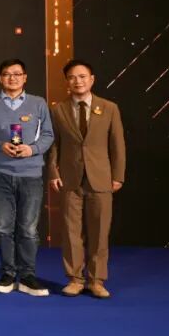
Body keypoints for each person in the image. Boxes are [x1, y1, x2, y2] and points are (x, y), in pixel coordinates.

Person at [47, 59, 126, 299]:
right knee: (71, 233)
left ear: (92, 79)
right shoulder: (58, 110)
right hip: (70, 179)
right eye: (72, 77)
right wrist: (53, 172)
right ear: (67, 82)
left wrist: (118, 175)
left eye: (82, 76)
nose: (77, 81)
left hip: (101, 179)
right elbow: (54, 145)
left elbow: (118, 145)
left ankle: (96, 280)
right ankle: (75, 279)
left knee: (99, 232)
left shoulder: (109, 108)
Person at [0, 58, 55, 296]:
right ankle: (8, 274)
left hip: (31, 173)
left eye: (17, 74)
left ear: (25, 77)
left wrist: (32, 149)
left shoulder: (38, 103)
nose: (12, 78)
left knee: (29, 228)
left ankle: (28, 275)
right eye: (7, 74)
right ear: (0, 78)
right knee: (3, 226)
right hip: (0, 172)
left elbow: (48, 134)